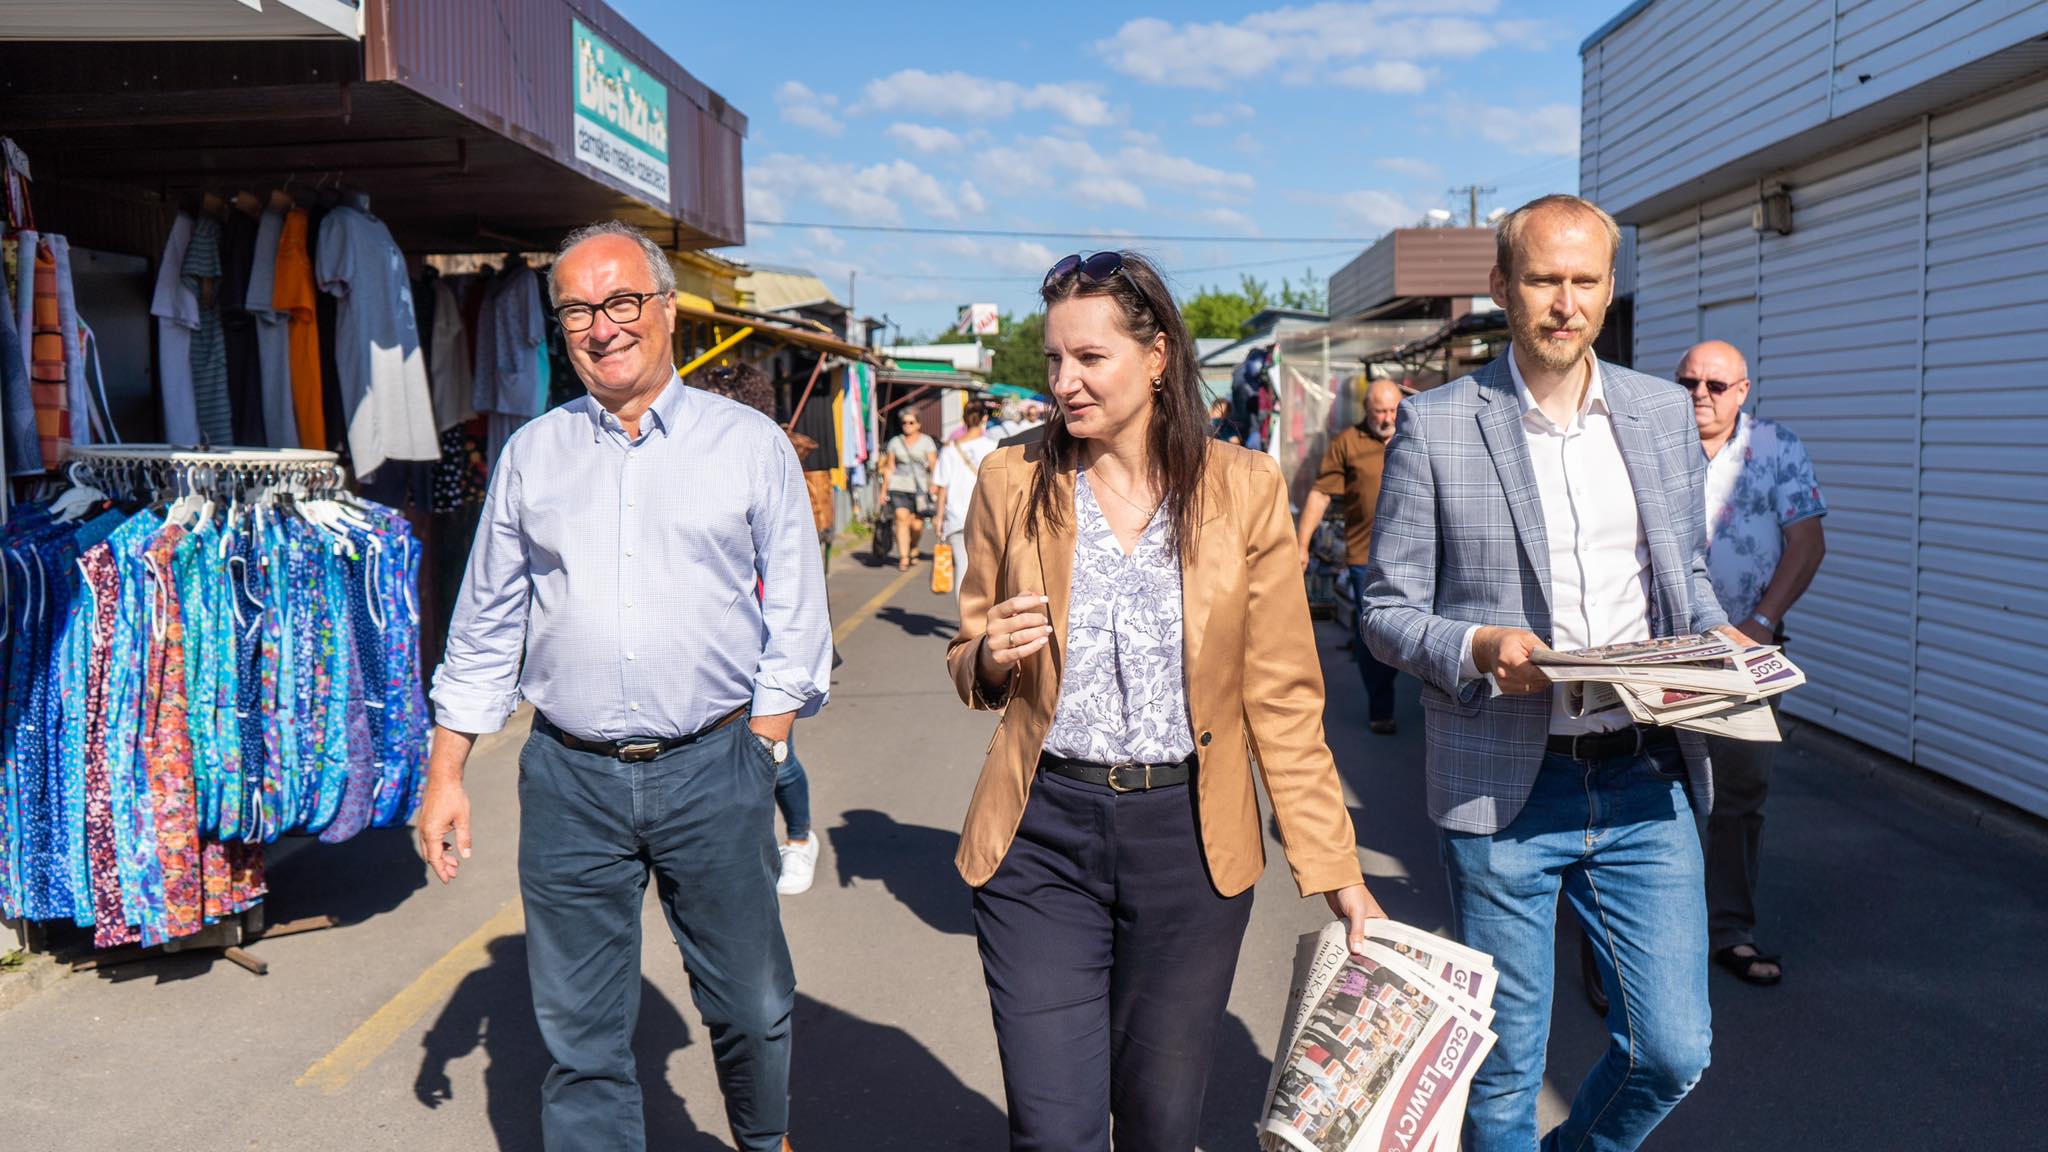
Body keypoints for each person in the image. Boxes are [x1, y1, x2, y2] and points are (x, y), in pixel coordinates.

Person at [947, 249, 1383, 1152]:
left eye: (1089, 358)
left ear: (1156, 358)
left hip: (1189, 838)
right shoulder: (1009, 480)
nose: (1064, 382)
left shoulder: (1243, 488)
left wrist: (1336, 869)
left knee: (1158, 1124)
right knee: (1054, 1130)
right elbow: (968, 658)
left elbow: (1283, 699)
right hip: (1042, 833)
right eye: (1053, 360)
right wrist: (989, 655)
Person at [418, 220, 831, 1152]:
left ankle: (766, 1142)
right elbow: (484, 624)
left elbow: (799, 617)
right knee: (581, 1039)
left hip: (714, 765)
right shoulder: (533, 455)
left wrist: (762, 747)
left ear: (664, 309)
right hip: (570, 779)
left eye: (620, 302)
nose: (602, 328)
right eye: (577, 311)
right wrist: (447, 773)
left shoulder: (749, 444)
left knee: (752, 1007)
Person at [1362, 194, 1732, 1152]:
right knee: (1505, 1077)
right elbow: (1385, 611)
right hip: (1506, 786)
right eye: (1542, 280)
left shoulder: (1658, 413)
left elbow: (1683, 576)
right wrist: (1477, 649)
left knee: (1671, 1051)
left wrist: (1723, 650)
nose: (1564, 303)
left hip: (1646, 775)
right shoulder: (1439, 425)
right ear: (1501, 287)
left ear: (1610, 292)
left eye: (1584, 281)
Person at [1682, 338, 1826, 987]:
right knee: (1656, 790)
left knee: (1739, 795)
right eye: (1689, 382)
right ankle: (1645, 930)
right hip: (1665, 652)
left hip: (1749, 652)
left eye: (1715, 385)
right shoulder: (1655, 446)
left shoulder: (1777, 448)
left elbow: (1808, 542)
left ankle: (1729, 929)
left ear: (1742, 391)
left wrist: (1760, 624)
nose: (1700, 395)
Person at [689, 360, 826, 898]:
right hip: (710, 641)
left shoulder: (773, 461)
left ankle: (797, 838)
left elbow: (795, 574)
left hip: (767, 638)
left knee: (774, 752)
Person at [1297, 378, 1406, 735]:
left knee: (1405, 630)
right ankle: (1381, 704)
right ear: (1366, 410)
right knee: (1372, 628)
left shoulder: (1415, 435)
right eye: (1380, 411)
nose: (1387, 418)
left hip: (1416, 555)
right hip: (1366, 556)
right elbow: (1321, 493)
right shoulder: (1348, 443)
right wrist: (1301, 544)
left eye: (1392, 410)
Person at [931, 401, 999, 597]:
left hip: (956, 516)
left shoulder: (949, 450)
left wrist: (939, 518)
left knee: (962, 566)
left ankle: (964, 622)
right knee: (987, 569)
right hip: (987, 516)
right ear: (985, 418)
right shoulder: (994, 447)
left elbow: (942, 487)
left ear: (964, 419)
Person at [879, 411, 937, 571]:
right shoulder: (895, 442)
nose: (907, 426)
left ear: (918, 424)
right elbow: (889, 467)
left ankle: (913, 547)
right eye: (904, 422)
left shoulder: (927, 441)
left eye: (911, 422)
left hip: (920, 487)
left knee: (917, 525)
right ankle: (904, 557)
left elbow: (933, 464)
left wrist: (935, 484)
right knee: (901, 518)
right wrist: (884, 491)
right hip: (898, 485)